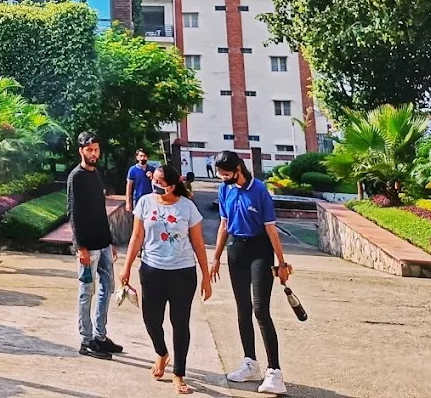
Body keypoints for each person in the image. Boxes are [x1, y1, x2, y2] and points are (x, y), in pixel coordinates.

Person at [121, 164, 212, 394]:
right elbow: (137, 236)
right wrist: (126, 267)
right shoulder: (145, 202)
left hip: (182, 272)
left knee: (180, 323)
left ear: (171, 186)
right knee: (151, 320)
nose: (155, 184)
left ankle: (178, 374)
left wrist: (206, 276)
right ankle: (162, 353)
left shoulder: (187, 207)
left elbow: (198, 242)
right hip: (152, 270)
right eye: (154, 180)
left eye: (160, 182)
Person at [210, 150, 292, 395]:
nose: (223, 178)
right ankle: (250, 364)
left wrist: (282, 263)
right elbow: (224, 224)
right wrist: (216, 257)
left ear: (238, 169)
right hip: (236, 249)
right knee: (242, 309)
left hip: (260, 250)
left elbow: (271, 229)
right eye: (220, 174)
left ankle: (274, 372)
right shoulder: (224, 189)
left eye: (226, 174)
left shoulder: (259, 190)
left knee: (260, 310)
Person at [67, 131, 122, 359]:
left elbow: (100, 211)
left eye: (96, 150)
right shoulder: (76, 177)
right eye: (89, 150)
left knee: (107, 287)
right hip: (87, 247)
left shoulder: (96, 174)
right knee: (86, 291)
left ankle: (100, 336)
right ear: (81, 150)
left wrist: (109, 242)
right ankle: (87, 340)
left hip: (102, 243)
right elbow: (73, 213)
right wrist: (80, 247)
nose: (93, 154)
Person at [125, 148, 153, 212]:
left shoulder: (152, 169)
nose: (142, 158)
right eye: (141, 156)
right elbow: (129, 186)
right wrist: (128, 202)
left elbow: (157, 184)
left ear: (147, 157)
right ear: (137, 157)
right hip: (138, 199)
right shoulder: (132, 170)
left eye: (144, 156)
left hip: (150, 199)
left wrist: (152, 177)